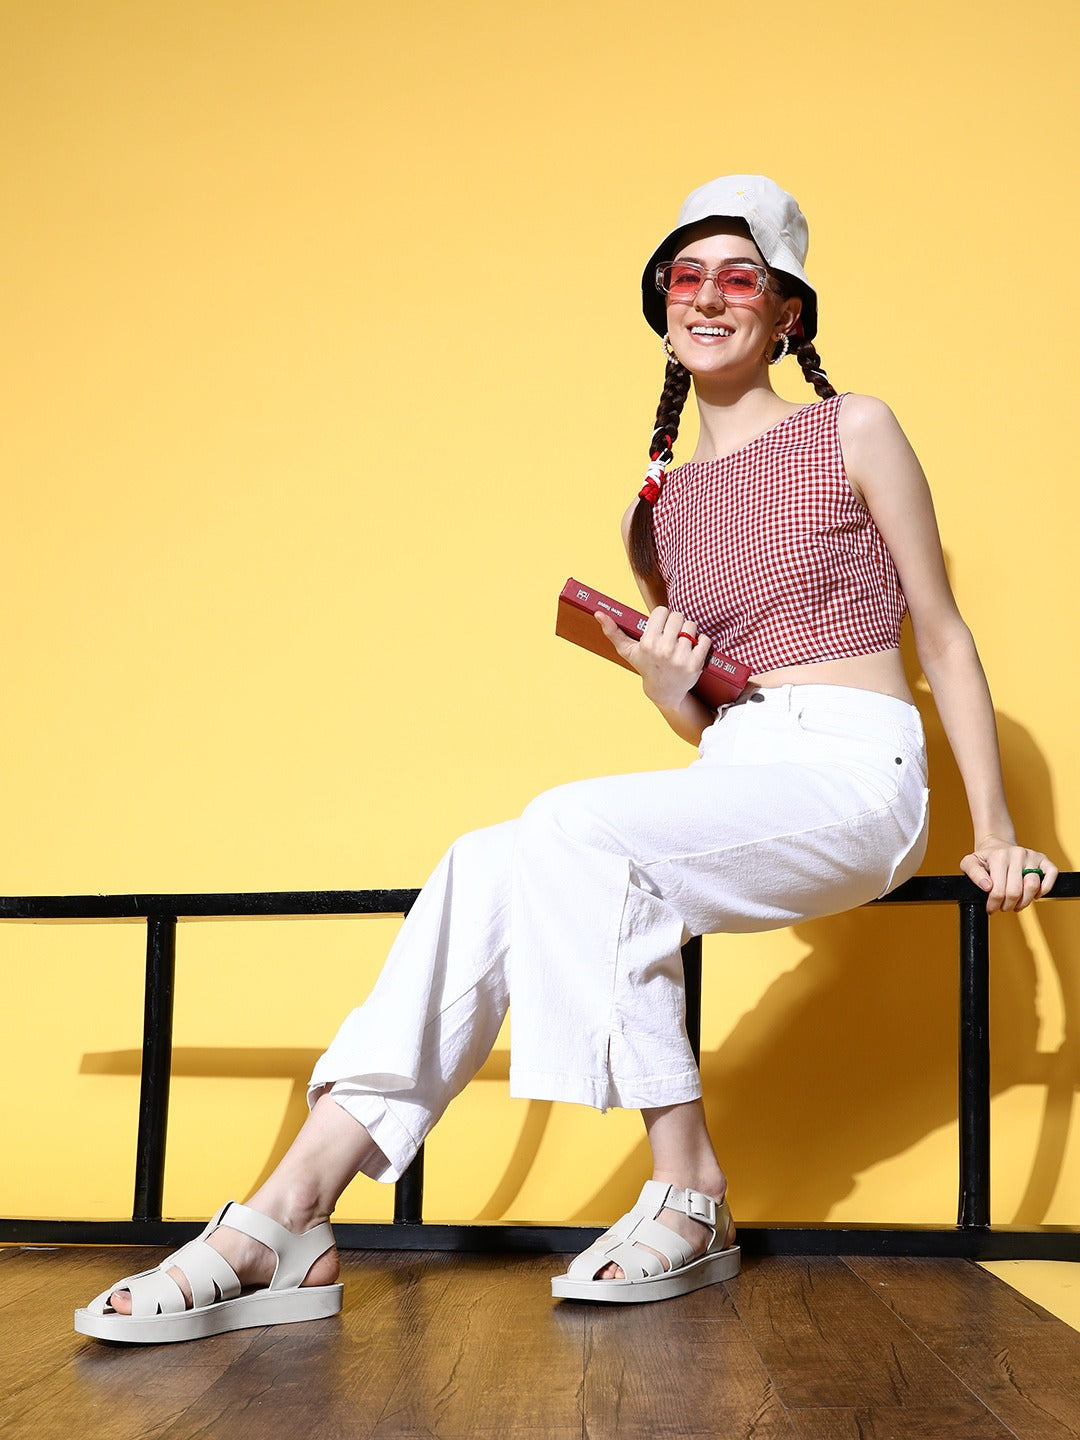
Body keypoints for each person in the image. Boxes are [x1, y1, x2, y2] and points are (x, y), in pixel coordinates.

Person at [74, 174, 1056, 1343]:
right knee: (484, 862)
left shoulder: (855, 429)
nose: (708, 298)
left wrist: (997, 834)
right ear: (662, 306)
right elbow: (709, 727)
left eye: (739, 278)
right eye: (685, 278)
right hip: (737, 774)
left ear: (787, 309)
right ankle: (290, 1210)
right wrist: (666, 689)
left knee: (568, 827)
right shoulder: (660, 509)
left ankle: (689, 1187)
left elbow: (941, 633)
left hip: (856, 776)